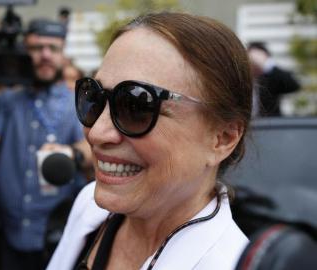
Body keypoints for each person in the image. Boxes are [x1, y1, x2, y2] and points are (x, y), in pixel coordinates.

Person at [46, 12, 252, 270]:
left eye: (136, 106)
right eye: (93, 98)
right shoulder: (90, 206)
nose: (97, 133)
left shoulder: (226, 263)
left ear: (223, 138)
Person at [0, 18, 91, 270]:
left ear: (63, 54)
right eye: (36, 48)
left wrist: (72, 154)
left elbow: (93, 148)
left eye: (53, 48)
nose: (45, 55)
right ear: (24, 52)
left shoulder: (77, 104)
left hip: (56, 237)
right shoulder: (8, 100)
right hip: (9, 235)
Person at [247, 42, 300, 117]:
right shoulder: (244, 78)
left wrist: (266, 65)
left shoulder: (272, 76)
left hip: (271, 123)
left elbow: (294, 86)